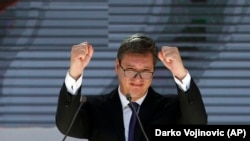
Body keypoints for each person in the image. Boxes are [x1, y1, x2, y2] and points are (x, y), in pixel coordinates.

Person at [55, 33, 207, 141]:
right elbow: (66, 125)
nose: (138, 79)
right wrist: (75, 72)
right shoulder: (95, 109)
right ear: (117, 66)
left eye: (146, 71)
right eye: (130, 70)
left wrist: (180, 73)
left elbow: (196, 125)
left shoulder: (171, 109)